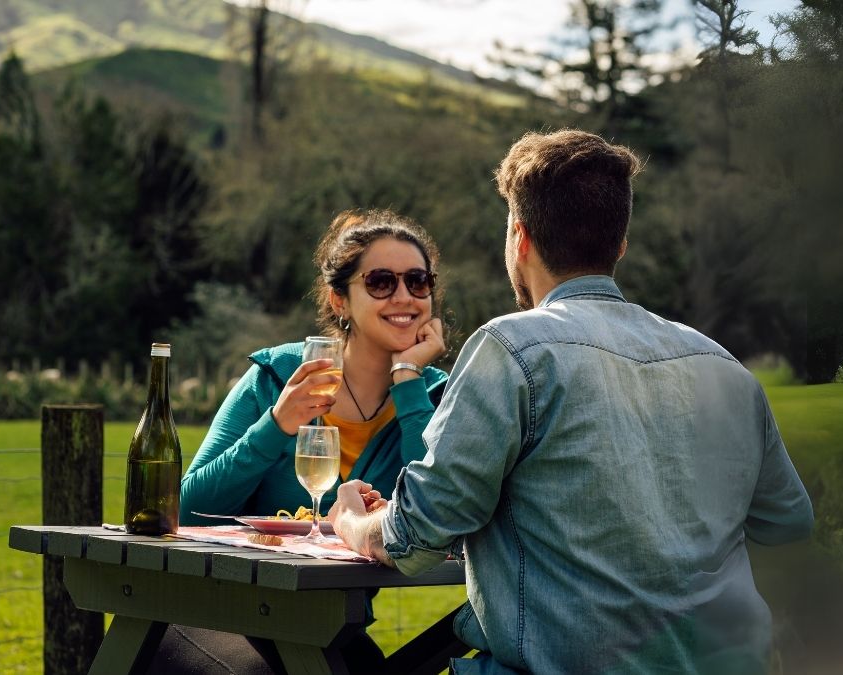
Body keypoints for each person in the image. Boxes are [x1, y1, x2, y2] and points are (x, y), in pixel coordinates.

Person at [330, 130, 815, 675]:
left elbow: (418, 533)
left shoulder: (510, 350)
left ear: (520, 238)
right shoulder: (724, 368)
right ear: (620, 245)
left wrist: (350, 522)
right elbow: (788, 521)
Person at [153, 208, 449, 673]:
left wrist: (408, 379)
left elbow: (439, 514)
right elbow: (184, 507)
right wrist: (276, 425)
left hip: (324, 628)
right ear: (339, 301)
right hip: (215, 613)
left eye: (418, 280)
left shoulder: (431, 398)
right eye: (380, 282)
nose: (404, 296)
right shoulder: (276, 377)